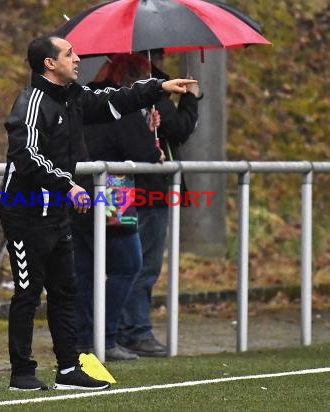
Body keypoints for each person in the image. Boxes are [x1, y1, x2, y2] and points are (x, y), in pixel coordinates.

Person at [0, 34, 197, 391]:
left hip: (59, 211)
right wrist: (68, 184)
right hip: (25, 213)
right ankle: (22, 373)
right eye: (70, 54)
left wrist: (158, 86)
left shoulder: (75, 97)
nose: (78, 59)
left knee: (65, 289)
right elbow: (27, 155)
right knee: (28, 292)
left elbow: (116, 97)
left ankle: (68, 368)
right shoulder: (31, 102)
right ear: (49, 63)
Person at [72, 53, 166, 361]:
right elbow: (142, 153)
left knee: (85, 269)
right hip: (113, 195)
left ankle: (85, 338)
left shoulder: (80, 98)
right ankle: (108, 336)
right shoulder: (119, 107)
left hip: (76, 190)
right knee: (128, 264)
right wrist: (153, 144)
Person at [118, 49, 201, 357]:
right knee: (142, 263)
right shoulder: (153, 87)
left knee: (128, 263)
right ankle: (134, 330)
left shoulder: (114, 88)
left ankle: (122, 329)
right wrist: (193, 97)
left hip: (123, 187)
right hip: (148, 187)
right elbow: (179, 130)